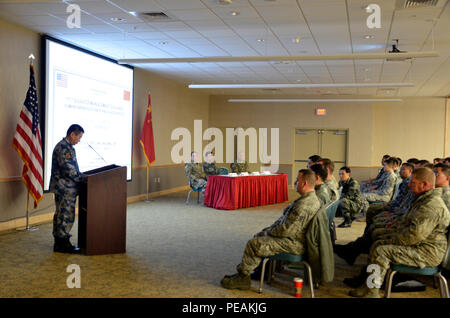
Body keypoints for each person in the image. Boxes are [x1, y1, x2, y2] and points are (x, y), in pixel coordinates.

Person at [349, 168, 450, 298]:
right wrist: (386, 236)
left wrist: (387, 240)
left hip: (427, 252)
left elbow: (413, 236)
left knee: (381, 251)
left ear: (424, 185)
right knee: (377, 244)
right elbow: (407, 226)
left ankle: (372, 292)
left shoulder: (431, 206)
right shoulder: (423, 199)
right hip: (420, 244)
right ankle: (369, 286)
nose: (409, 185)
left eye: (413, 183)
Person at [220, 169, 321, 290]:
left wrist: (269, 232)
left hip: (294, 243)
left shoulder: (304, 205)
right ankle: (250, 272)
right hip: (296, 238)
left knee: (254, 244)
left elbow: (286, 231)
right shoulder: (310, 199)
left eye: (297, 180)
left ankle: (243, 278)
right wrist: (269, 229)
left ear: (304, 183)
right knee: (260, 234)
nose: (295, 182)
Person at [50, 124, 86, 254]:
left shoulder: (69, 147)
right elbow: (69, 170)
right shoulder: (63, 148)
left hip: (68, 188)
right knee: (64, 215)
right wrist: (84, 179)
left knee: (63, 214)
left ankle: (61, 242)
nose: (79, 140)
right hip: (64, 188)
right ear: (72, 134)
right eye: (79, 137)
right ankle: (62, 244)